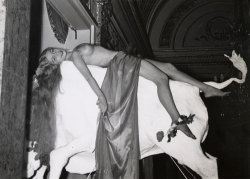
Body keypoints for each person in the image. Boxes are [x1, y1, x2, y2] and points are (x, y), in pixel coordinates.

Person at [30, 44, 229, 179]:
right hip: (122, 64)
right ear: (55, 64)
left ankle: (207, 89)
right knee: (161, 79)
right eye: (53, 58)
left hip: (122, 60)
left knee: (169, 67)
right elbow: (90, 78)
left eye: (54, 51)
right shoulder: (74, 57)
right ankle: (177, 119)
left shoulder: (75, 52)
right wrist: (100, 96)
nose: (57, 54)